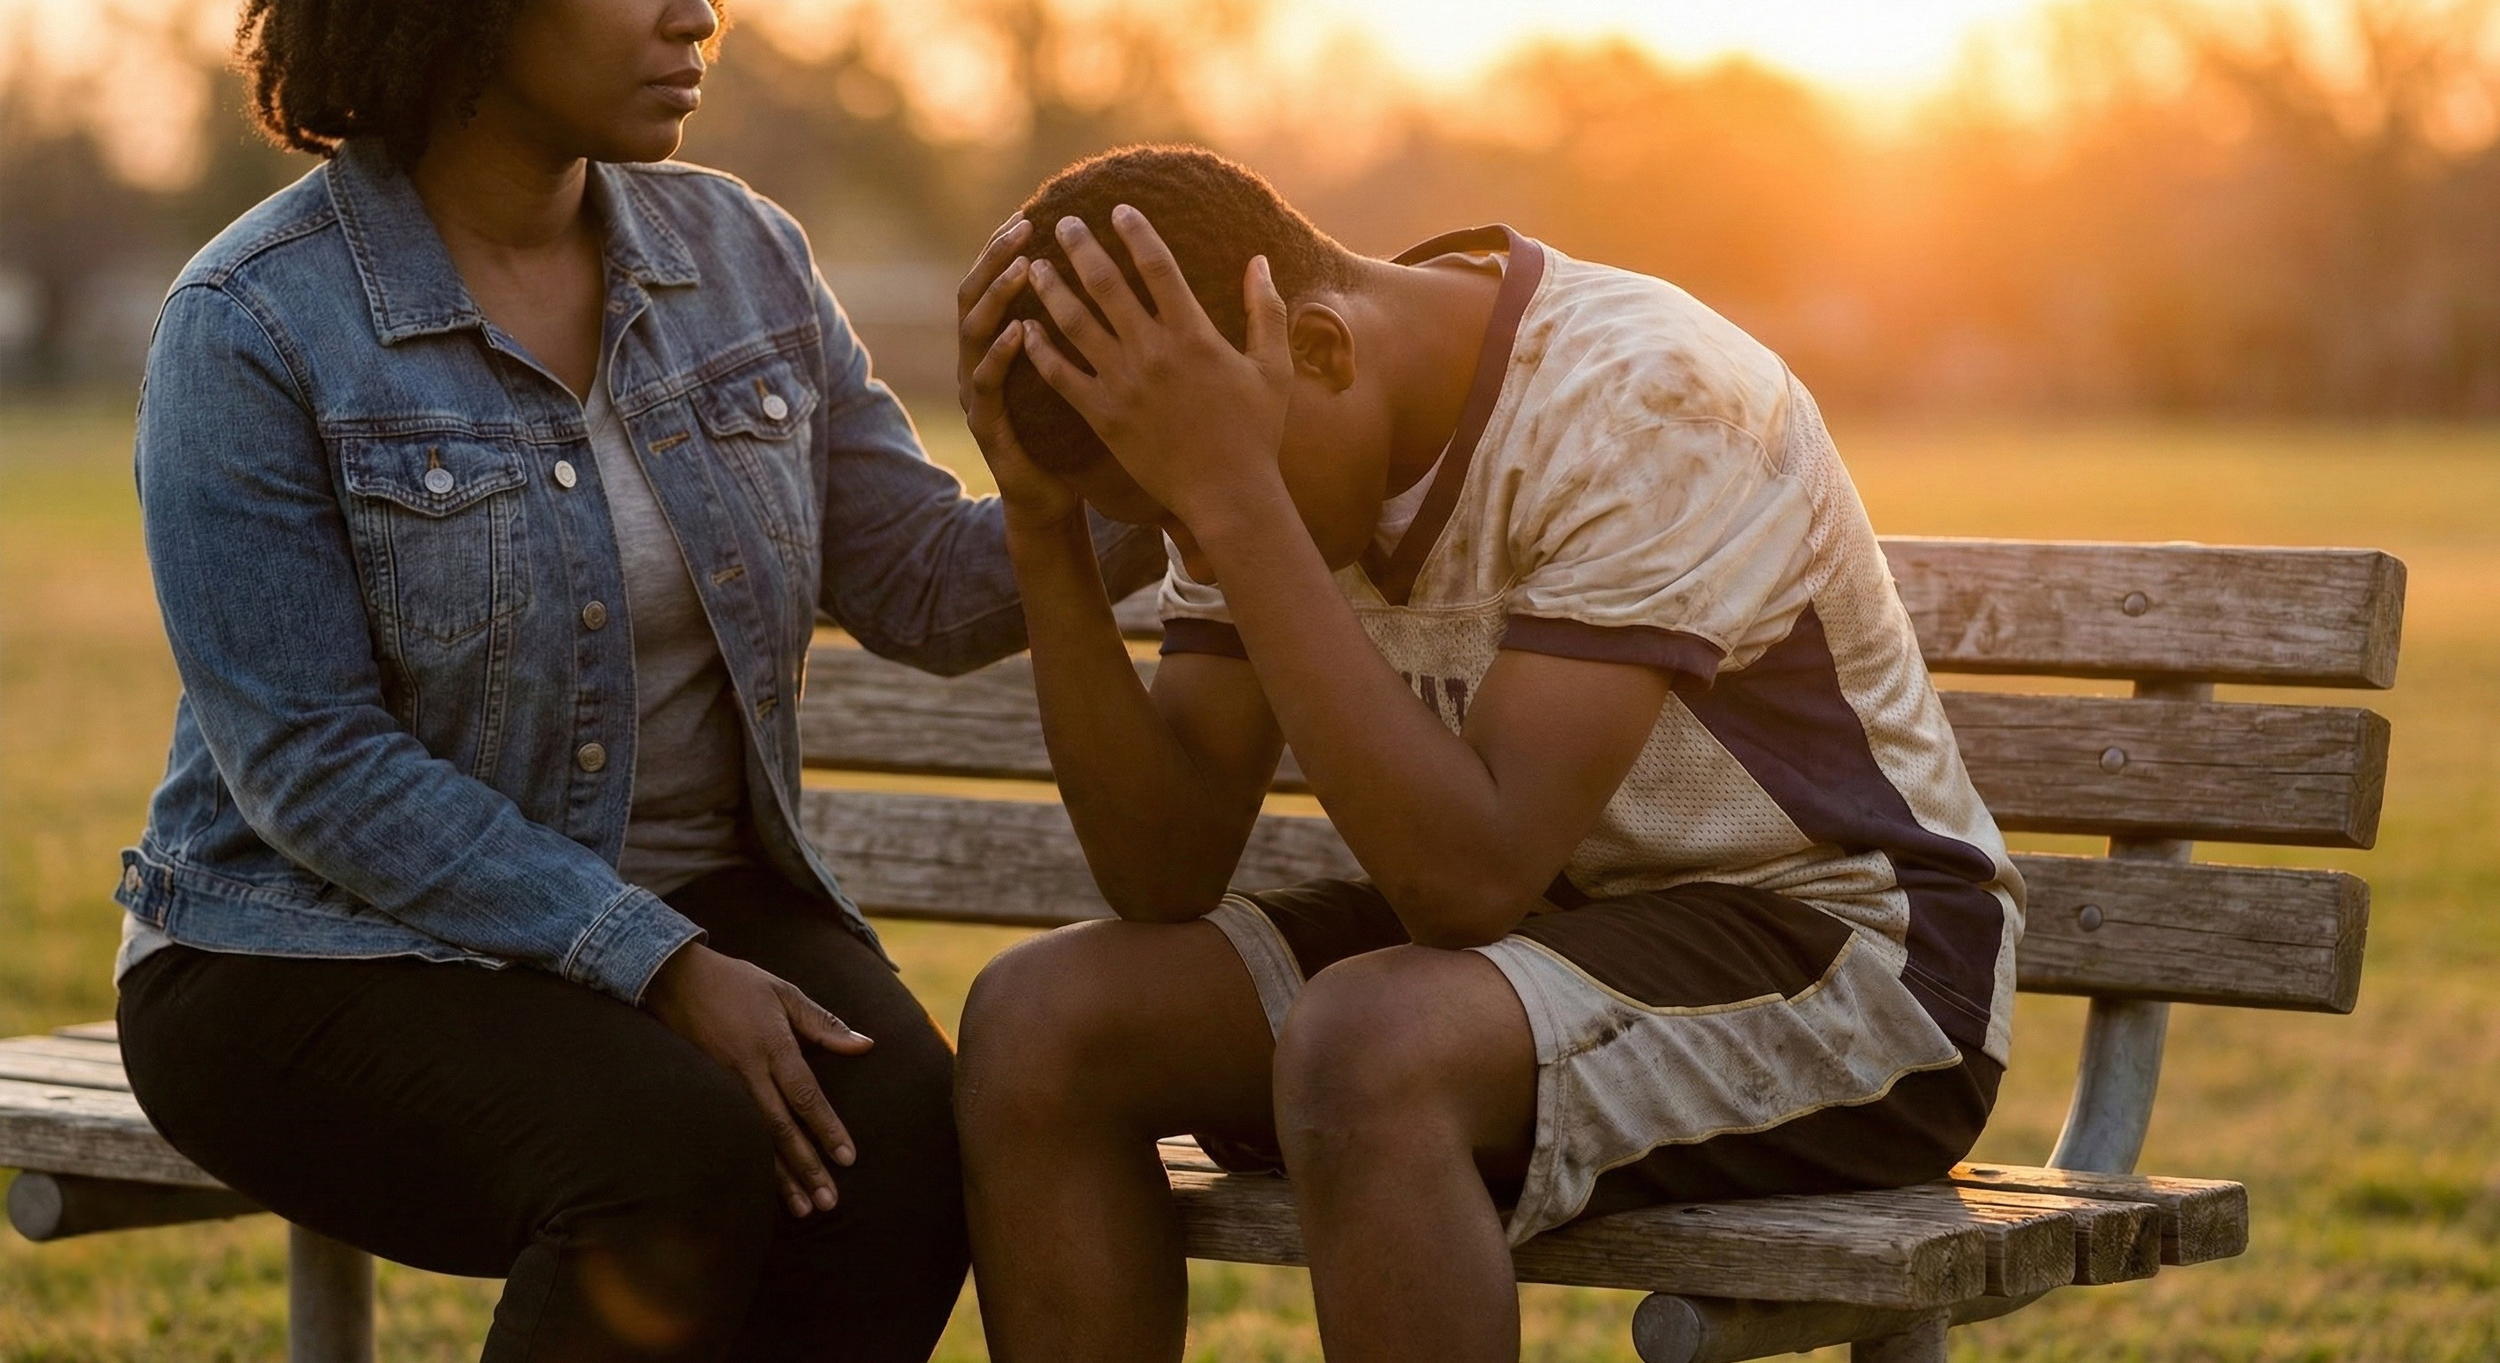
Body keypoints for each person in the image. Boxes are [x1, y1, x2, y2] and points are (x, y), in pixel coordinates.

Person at [109, 4, 1156, 1360]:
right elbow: (310, 763)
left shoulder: (742, 256)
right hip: (303, 942)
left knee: (895, 1140)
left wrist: (1162, 473)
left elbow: (920, 582)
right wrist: (650, 960)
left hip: (691, 900)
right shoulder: (252, 321)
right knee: (663, 1159)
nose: (698, 13)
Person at [949, 145, 2024, 1363]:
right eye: (1166, 516)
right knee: (1044, 1022)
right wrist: (1043, 527)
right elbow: (1162, 870)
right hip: (1543, 942)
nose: (1192, 545)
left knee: (1372, 1045)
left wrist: (1236, 497)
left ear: (1320, 350)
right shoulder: (1244, 434)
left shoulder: (1642, 397)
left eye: (1193, 506)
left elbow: (1464, 884)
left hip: (1860, 964)